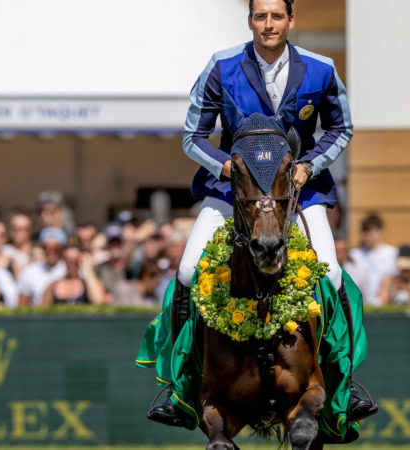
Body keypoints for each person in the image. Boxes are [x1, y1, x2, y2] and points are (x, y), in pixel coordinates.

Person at [145, 0, 376, 427]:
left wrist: (310, 166)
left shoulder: (321, 68)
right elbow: (192, 135)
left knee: (333, 275)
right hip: (236, 192)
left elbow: (340, 128)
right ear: (250, 20)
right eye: (260, 16)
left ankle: (343, 384)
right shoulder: (221, 65)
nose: (268, 24)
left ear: (291, 19)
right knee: (186, 269)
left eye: (276, 16)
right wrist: (225, 167)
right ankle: (179, 388)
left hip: (298, 193)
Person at [349, 214, 398, 307]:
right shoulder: (354, 255)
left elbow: (392, 282)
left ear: (381, 231)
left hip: (385, 305)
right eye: (366, 231)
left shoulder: (391, 253)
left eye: (373, 231)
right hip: (358, 304)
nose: (369, 236)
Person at [17, 227, 67, 306]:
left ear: (62, 248)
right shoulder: (29, 271)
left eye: (56, 248)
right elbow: (22, 304)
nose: (51, 252)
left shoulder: (70, 269)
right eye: (46, 247)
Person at [41, 246, 106, 305]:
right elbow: (44, 309)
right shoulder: (53, 286)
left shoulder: (87, 284)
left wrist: (88, 269)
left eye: (75, 260)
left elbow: (99, 302)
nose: (72, 264)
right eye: (68, 260)